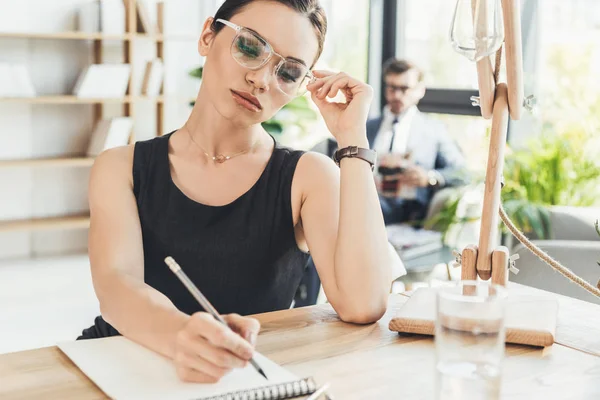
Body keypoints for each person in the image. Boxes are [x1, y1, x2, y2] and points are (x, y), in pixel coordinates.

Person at [80, 0, 401, 384]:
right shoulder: (121, 167)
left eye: (289, 72)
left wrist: (352, 141)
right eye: (250, 47)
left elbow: (363, 303)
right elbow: (117, 287)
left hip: (239, 379)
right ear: (206, 37)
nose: (262, 80)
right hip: (119, 365)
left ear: (302, 87)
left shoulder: (307, 176)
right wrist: (182, 335)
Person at [367, 58, 469, 226]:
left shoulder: (434, 129)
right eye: (392, 87)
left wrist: (430, 177)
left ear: (420, 90)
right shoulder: (368, 127)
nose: (397, 95)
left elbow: (462, 172)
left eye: (404, 88)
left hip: (407, 208)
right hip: (367, 197)